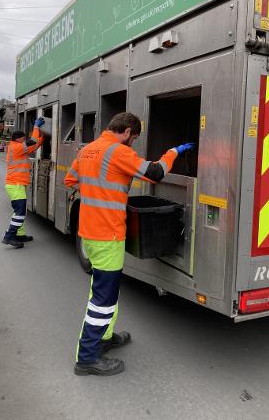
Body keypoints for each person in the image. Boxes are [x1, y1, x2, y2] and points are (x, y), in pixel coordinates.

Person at [64, 112, 194, 376]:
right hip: (107, 234)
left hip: (90, 230)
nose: (132, 143)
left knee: (102, 289)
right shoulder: (118, 152)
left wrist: (101, 187)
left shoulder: (88, 150)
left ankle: (105, 338)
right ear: (125, 132)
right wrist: (173, 151)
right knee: (103, 297)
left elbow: (70, 180)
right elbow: (155, 172)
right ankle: (87, 357)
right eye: (133, 138)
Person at [2, 117, 45, 248]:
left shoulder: (18, 148)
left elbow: (35, 145)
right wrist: (37, 127)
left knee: (21, 211)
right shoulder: (16, 147)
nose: (25, 140)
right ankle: (9, 237)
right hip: (15, 185)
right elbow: (32, 141)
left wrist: (43, 138)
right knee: (20, 211)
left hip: (16, 184)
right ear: (19, 139)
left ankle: (19, 235)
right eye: (23, 138)